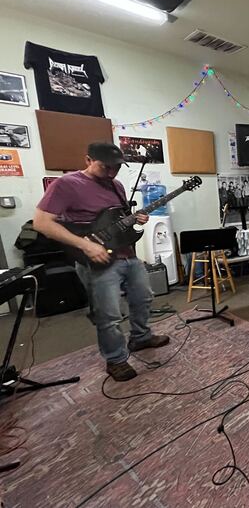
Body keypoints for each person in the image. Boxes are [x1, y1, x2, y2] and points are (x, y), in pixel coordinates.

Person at [33, 142, 169, 382]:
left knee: (144, 298)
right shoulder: (66, 184)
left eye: (116, 167)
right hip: (96, 259)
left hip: (127, 254)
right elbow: (42, 223)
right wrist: (86, 245)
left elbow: (117, 221)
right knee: (108, 314)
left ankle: (140, 337)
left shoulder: (117, 186)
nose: (111, 172)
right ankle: (116, 359)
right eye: (105, 167)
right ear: (88, 160)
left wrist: (135, 220)